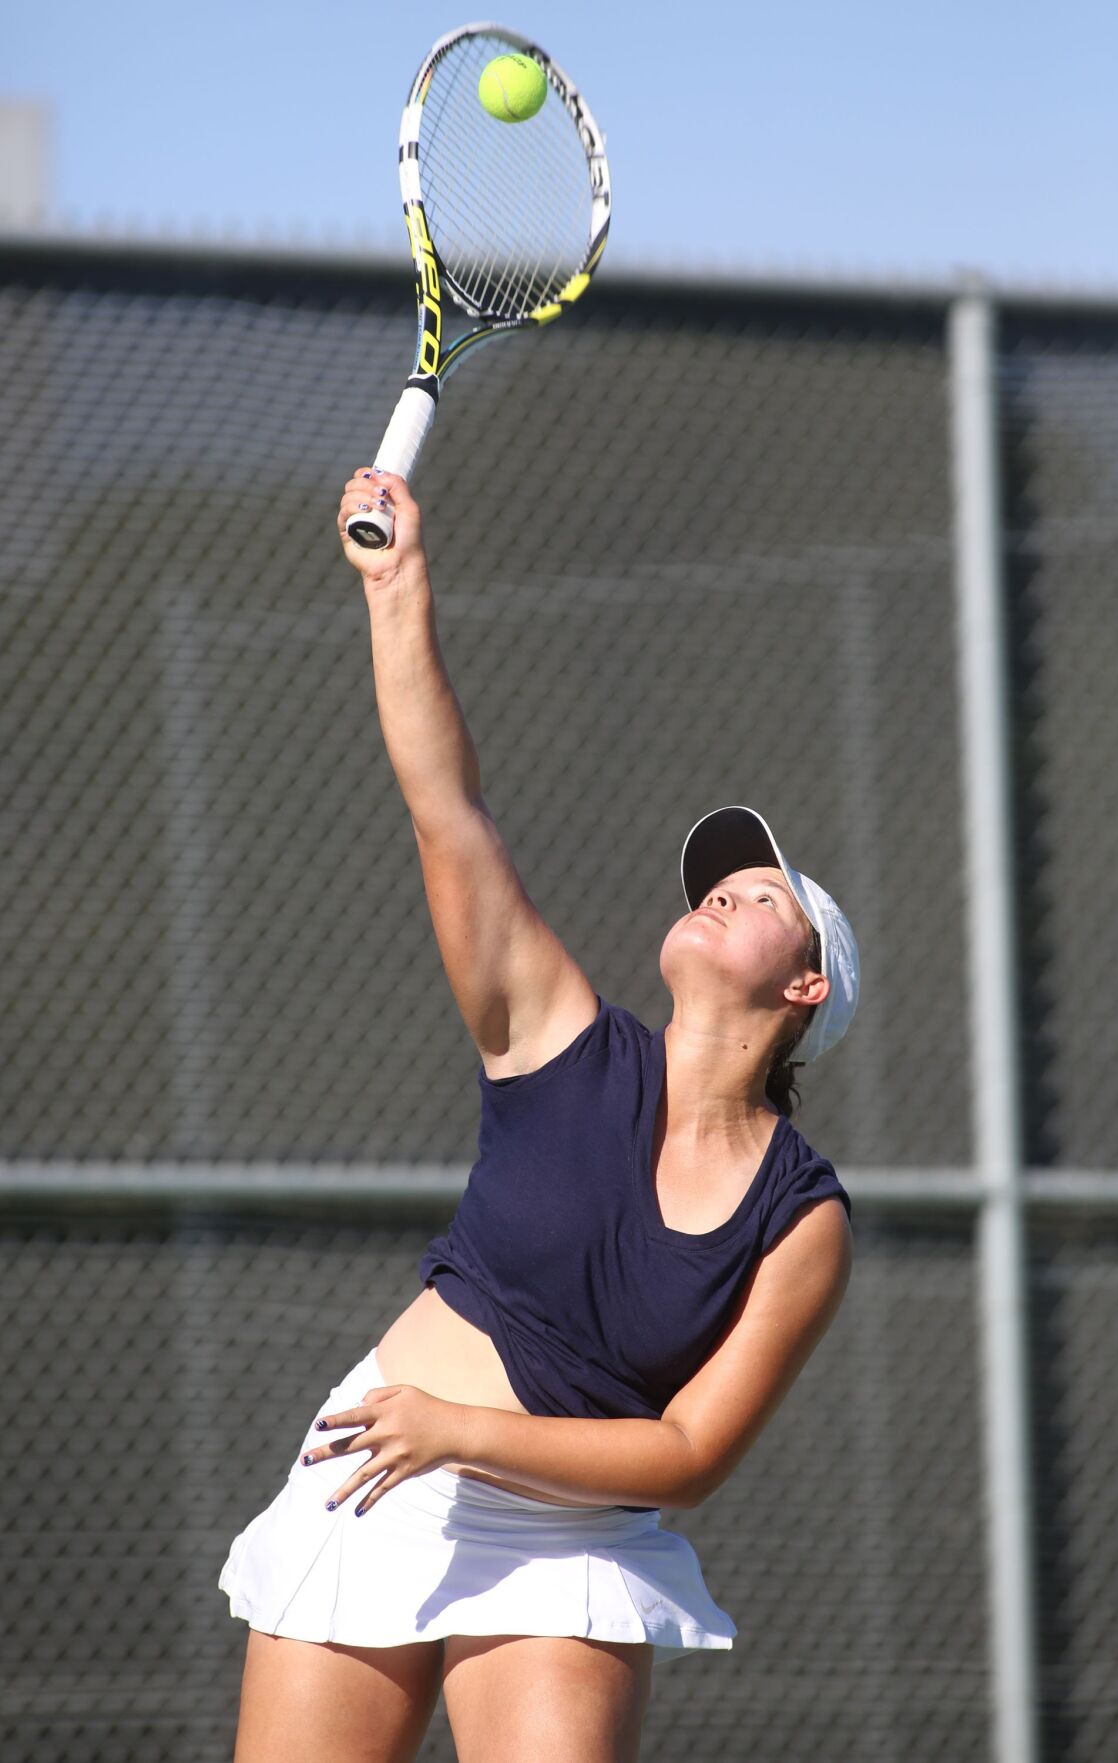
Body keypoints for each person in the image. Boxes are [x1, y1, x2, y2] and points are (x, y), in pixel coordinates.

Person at [218, 470, 860, 1763]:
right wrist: (398, 589)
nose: (725, 894)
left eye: (764, 896)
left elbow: (685, 1454)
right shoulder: (561, 1040)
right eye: (715, 884)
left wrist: (459, 1432)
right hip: (373, 1475)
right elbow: (447, 816)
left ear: (805, 988)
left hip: (568, 1531)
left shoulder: (802, 1217)